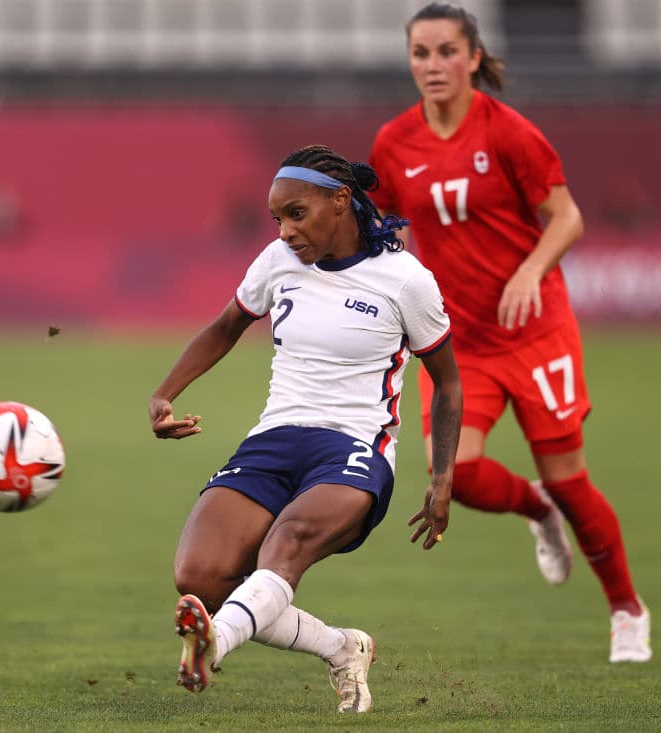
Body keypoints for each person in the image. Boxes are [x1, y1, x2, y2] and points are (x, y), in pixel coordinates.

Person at [367, 2, 651, 663]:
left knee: (574, 481)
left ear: (472, 57)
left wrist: (529, 271)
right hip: (461, 342)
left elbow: (568, 218)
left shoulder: (511, 133)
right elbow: (382, 230)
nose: (433, 65)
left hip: (535, 331)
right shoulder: (393, 143)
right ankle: (537, 510)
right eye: (420, 53)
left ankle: (626, 609)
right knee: (455, 476)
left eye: (446, 52)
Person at [148, 144, 463, 712]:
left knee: (282, 548)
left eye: (297, 214)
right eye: (278, 218)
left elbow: (449, 383)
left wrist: (443, 479)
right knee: (202, 577)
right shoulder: (277, 263)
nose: (286, 231)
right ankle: (343, 648)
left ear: (341, 201)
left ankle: (214, 645)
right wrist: (165, 394)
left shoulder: (404, 280)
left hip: (355, 448)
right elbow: (225, 328)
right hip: (274, 439)